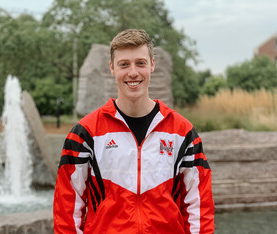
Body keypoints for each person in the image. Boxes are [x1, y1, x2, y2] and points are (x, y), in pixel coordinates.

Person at [53, 29, 215, 233]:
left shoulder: (183, 132)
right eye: (124, 64)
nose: (133, 72)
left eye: (140, 63)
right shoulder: (85, 133)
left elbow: (199, 207)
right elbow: (67, 208)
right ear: (112, 68)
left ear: (152, 65)